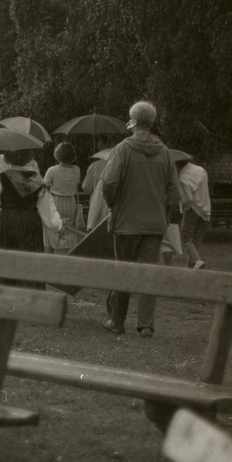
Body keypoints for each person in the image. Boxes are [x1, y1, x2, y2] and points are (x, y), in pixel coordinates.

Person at [100, 100, 181, 337]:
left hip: (126, 221)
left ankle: (117, 321)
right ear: (153, 122)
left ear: (133, 121)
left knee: (124, 271)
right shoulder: (165, 153)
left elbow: (109, 183)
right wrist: (163, 212)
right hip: (154, 223)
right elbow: (175, 192)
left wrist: (113, 204)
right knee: (148, 272)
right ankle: (146, 324)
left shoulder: (123, 149)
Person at [0, 149, 49, 253]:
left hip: (9, 220)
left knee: (8, 256)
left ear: (7, 158)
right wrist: (57, 226)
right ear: (28, 157)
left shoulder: (2, 177)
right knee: (30, 256)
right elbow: (45, 206)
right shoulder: (36, 178)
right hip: (30, 221)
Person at [43, 142, 82, 252]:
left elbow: (44, 187)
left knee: (51, 227)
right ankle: (69, 252)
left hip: (55, 201)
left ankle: (49, 253)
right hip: (70, 201)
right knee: (70, 228)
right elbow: (76, 183)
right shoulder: (76, 170)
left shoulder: (52, 170)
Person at [176, 156, 210, 268]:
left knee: (185, 238)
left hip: (193, 209)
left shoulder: (183, 177)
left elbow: (187, 199)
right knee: (195, 242)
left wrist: (184, 208)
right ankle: (190, 269)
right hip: (205, 209)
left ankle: (196, 261)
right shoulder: (200, 170)